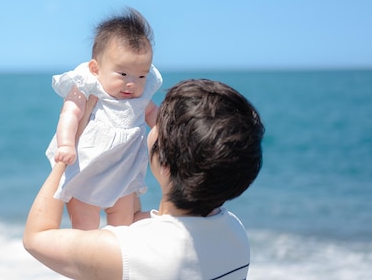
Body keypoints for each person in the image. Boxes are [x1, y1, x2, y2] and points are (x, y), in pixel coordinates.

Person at [24, 79, 264, 280]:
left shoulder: (129, 251)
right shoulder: (235, 232)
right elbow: (143, 224)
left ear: (165, 164)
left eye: (160, 124)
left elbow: (37, 238)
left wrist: (71, 148)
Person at [45, 7, 163, 229]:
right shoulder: (88, 87)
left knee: (123, 225)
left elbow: (151, 113)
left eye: (141, 75)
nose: (132, 83)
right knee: (85, 227)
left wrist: (166, 131)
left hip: (124, 173)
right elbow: (69, 114)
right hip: (86, 170)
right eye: (123, 74)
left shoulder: (141, 95)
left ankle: (116, 255)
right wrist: (67, 144)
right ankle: (86, 256)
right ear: (95, 68)